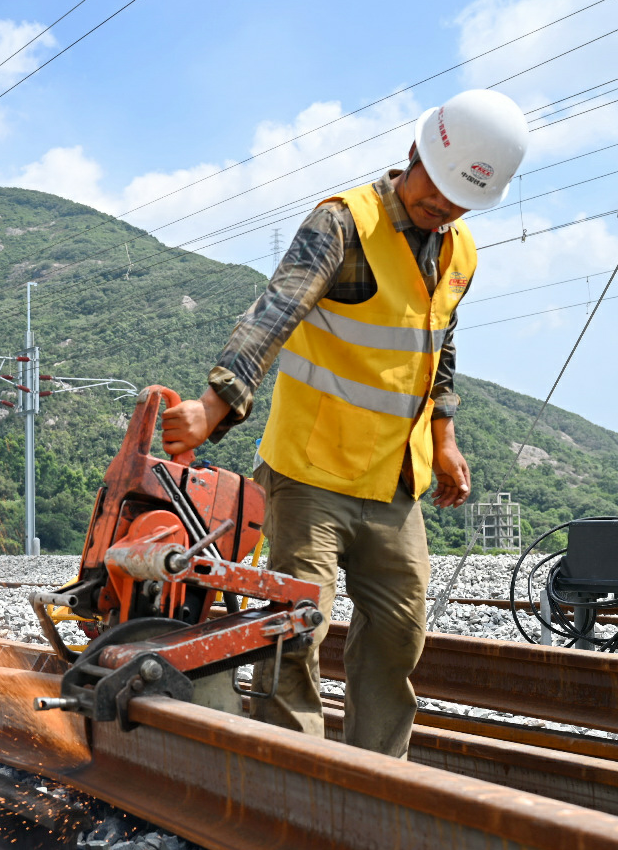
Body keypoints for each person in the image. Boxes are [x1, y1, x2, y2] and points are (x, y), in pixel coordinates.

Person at [161, 90, 528, 758]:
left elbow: (439, 345)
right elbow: (275, 311)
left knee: (398, 633)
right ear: (416, 153)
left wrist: (444, 438)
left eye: (459, 201)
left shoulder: (460, 253)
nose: (442, 208)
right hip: (311, 473)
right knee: (294, 631)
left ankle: (375, 775)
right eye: (436, 190)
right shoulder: (344, 224)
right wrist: (216, 403)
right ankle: (296, 773)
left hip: (396, 479)